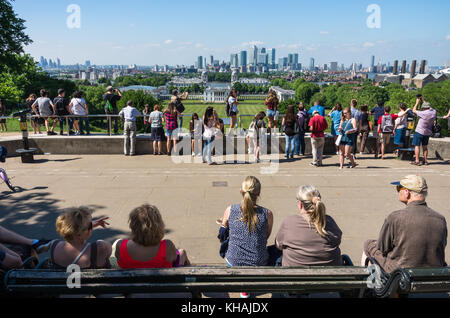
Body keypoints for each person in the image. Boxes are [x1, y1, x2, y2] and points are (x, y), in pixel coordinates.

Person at [362, 175, 447, 273]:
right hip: (433, 272)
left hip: (401, 275)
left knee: (368, 244)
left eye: (399, 188)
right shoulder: (440, 219)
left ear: (407, 192)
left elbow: (382, 248)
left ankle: (368, 285)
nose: (398, 191)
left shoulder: (395, 217)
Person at [218, 176, 274, 297]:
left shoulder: (230, 210)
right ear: (258, 193)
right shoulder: (267, 214)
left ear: (241, 191)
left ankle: (244, 288)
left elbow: (221, 236)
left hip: (233, 260)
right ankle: (246, 286)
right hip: (258, 261)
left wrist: (225, 225)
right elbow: (266, 236)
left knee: (229, 245)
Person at [275, 185, 342, 267]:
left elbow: (278, 245)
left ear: (300, 204)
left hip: (294, 277)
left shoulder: (289, 222)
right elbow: (338, 240)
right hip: (330, 277)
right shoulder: (329, 222)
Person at [114, 204, 190, 269]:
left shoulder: (121, 246)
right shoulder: (167, 246)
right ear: (159, 226)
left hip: (128, 285)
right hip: (163, 284)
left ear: (133, 225)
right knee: (181, 253)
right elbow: (174, 259)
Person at [411, 98, 437, 166]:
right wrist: (423, 100)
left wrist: (417, 102)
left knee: (417, 146)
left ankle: (417, 160)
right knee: (425, 147)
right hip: (428, 132)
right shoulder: (434, 112)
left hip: (419, 131)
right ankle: (425, 160)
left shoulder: (423, 113)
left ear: (424, 108)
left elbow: (413, 110)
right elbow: (430, 108)